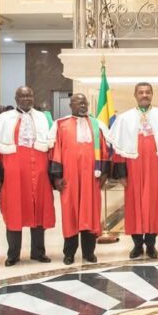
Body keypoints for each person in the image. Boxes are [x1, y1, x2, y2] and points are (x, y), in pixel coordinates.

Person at [0, 86, 56, 266]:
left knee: (38, 208)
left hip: (39, 169)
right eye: (22, 96)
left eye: (29, 96)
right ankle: (13, 254)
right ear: (16, 98)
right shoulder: (3, 118)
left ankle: (38, 252)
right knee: (14, 209)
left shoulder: (42, 117)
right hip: (13, 169)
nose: (26, 99)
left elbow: (51, 145)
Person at [110, 83, 158, 259]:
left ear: (152, 94)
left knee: (153, 206)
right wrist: (121, 174)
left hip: (155, 168)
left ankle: (151, 245)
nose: (144, 95)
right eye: (141, 92)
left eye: (148, 92)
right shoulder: (124, 118)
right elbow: (118, 149)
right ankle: (136, 246)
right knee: (134, 206)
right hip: (133, 168)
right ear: (135, 95)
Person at [49, 94, 109, 265]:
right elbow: (56, 151)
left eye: (85, 103)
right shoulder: (61, 125)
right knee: (71, 214)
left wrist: (104, 173)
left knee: (90, 213)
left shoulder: (97, 125)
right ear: (71, 105)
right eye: (79, 102)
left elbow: (105, 150)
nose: (83, 105)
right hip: (70, 178)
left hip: (92, 178)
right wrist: (57, 177)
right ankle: (69, 253)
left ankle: (89, 252)